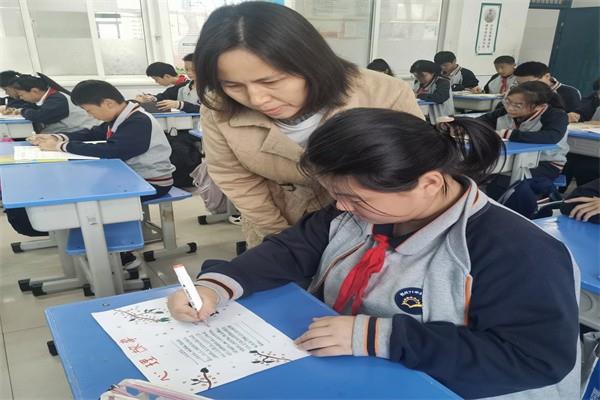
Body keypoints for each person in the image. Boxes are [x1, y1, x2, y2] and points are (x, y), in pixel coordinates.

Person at [168, 108, 580, 400]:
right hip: (360, 369)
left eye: (354, 198)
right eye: (336, 194)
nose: (341, 206)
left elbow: (533, 360)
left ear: (430, 183)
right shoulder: (357, 212)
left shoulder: (520, 251)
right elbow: (290, 251)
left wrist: (380, 336)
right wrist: (215, 287)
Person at [195, 1, 424, 247]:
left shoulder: (384, 93)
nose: (256, 99)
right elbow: (234, 176)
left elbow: (414, 172)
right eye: (232, 85)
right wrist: (281, 238)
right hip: (275, 222)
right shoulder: (218, 109)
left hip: (372, 229)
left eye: (271, 82)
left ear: (311, 62)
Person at [478, 81, 569, 217]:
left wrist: (509, 134)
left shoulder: (556, 115)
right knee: (475, 173)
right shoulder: (505, 112)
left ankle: (511, 216)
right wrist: (458, 125)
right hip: (509, 159)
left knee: (503, 182)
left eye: (518, 105)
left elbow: (551, 137)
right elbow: (480, 121)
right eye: (508, 102)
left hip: (546, 163)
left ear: (540, 106)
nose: (510, 108)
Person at [8, 73, 98, 133]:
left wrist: (22, 111)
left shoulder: (57, 100)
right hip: (70, 128)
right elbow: (32, 108)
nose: (21, 98)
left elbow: (39, 116)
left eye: (21, 95)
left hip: (86, 130)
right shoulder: (48, 97)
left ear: (34, 91)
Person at [514, 61, 581, 114]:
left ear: (547, 76)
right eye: (520, 84)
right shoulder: (519, 91)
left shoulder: (570, 93)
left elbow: (572, 118)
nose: (525, 87)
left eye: (530, 83)